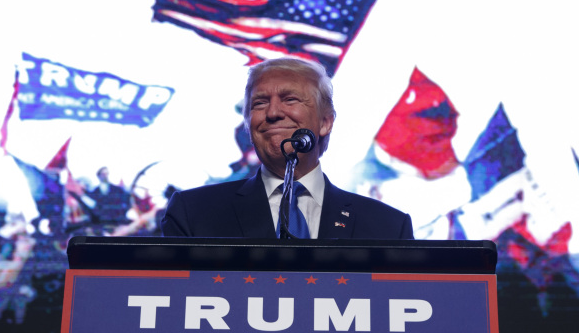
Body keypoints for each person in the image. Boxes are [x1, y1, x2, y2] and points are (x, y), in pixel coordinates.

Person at [162, 57, 413, 240]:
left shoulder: (389, 227)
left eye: (290, 100)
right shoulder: (194, 213)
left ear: (325, 122)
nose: (272, 113)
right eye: (260, 103)